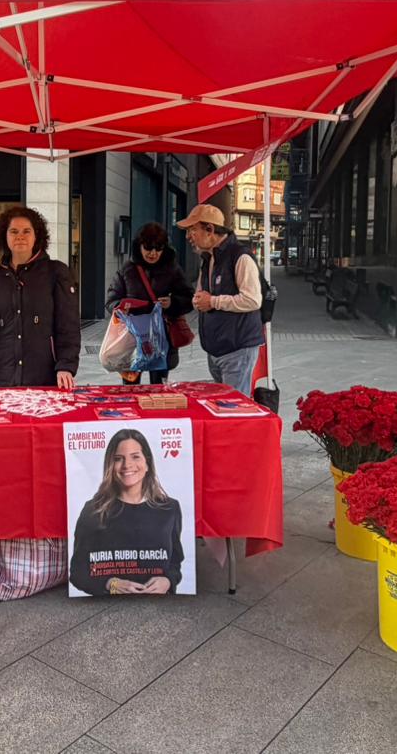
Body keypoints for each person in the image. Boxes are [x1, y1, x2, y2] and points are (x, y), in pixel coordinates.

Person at [0, 206, 81, 390]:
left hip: (43, 376)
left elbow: (68, 326)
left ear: (36, 236)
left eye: (26, 231)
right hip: (0, 376)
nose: (20, 236)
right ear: (5, 236)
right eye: (14, 231)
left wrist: (66, 366)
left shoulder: (55, 273)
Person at [68, 428, 184, 596]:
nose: (127, 465)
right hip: (107, 608)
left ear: (147, 463)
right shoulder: (93, 510)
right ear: (110, 465)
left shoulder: (170, 508)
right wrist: (109, 584)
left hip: (158, 607)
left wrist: (168, 580)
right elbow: (78, 572)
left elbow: (175, 562)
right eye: (118, 459)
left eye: (135, 457)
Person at [177, 204, 263, 393]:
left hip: (237, 347)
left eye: (193, 230)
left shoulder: (240, 257)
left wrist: (213, 301)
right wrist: (198, 300)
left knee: (233, 408)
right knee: (222, 404)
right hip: (216, 348)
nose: (188, 236)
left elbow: (252, 300)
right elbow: (201, 293)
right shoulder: (208, 258)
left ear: (210, 229)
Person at [106, 222, 195, 385]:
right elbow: (111, 300)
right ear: (139, 246)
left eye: (158, 248)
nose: (153, 253)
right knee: (130, 390)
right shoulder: (128, 269)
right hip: (132, 338)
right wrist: (123, 307)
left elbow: (189, 298)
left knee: (159, 388)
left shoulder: (172, 269)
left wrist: (172, 303)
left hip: (161, 337)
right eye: (148, 248)